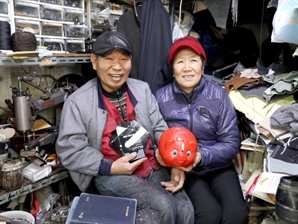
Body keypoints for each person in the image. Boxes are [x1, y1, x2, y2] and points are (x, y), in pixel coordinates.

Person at [55, 31, 194, 224]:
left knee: (185, 208)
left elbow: (160, 127)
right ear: (94, 61)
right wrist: (110, 166)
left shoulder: (142, 90)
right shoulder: (78, 102)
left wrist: (172, 159)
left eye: (123, 59)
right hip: (110, 172)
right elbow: (70, 150)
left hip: (149, 163)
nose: (117, 67)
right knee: (163, 205)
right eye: (109, 59)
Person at [155, 36, 249, 224]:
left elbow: (230, 143)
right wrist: (174, 162)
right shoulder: (160, 98)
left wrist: (200, 156)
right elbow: (155, 140)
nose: (187, 68)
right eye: (180, 61)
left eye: (193, 60)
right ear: (173, 69)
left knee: (236, 215)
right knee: (208, 215)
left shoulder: (218, 95)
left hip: (218, 166)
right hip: (184, 170)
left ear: (202, 66)